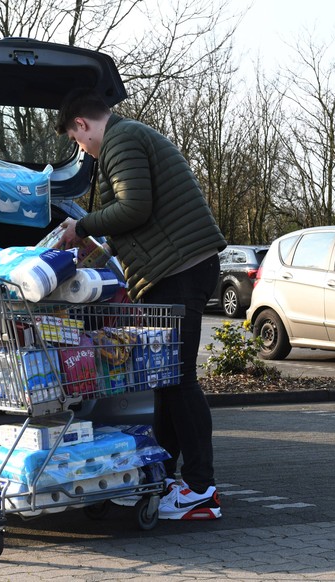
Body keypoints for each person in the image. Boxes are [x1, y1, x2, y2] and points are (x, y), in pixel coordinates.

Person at [54, 88, 227, 520]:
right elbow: (136, 214)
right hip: (176, 270)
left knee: (181, 379)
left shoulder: (121, 139)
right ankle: (165, 475)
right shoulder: (126, 138)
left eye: (77, 142)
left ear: (82, 125)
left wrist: (82, 225)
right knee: (168, 379)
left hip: (180, 271)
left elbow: (135, 206)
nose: (82, 150)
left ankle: (202, 489)